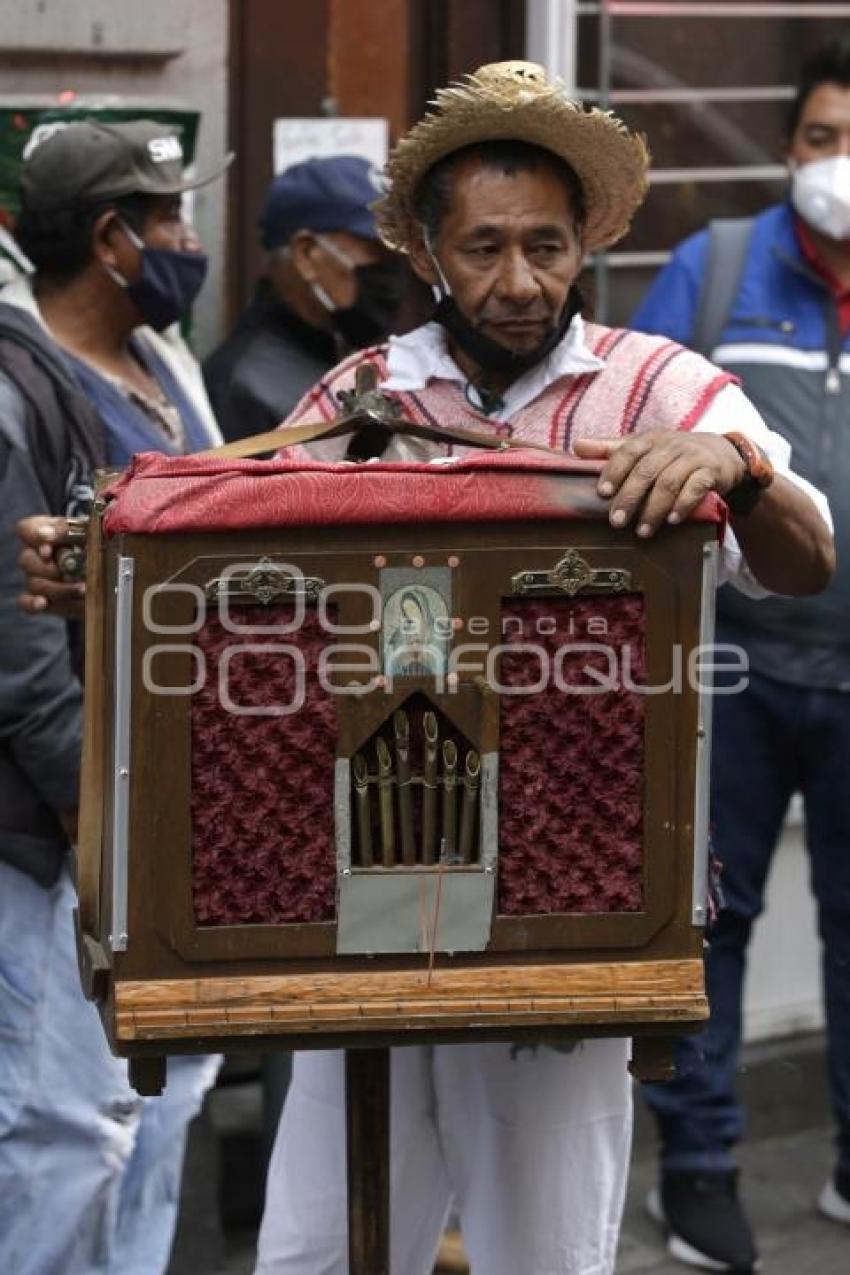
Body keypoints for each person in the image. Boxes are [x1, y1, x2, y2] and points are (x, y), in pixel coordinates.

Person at [248, 61, 834, 1275]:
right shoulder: (362, 394)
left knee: (547, 1250)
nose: (519, 283)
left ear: (586, 244)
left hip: (575, 888)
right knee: (318, 1245)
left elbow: (808, 562)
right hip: (366, 877)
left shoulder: (664, 384)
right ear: (425, 250)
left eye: (548, 246)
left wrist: (738, 466)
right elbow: (241, 570)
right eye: (484, 248)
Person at [629, 36, 850, 1273]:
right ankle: (701, 1170)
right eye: (822, 138)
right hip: (737, 670)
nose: (840, 164)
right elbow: (634, 431)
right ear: (786, 150)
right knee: (706, 923)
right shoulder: (714, 273)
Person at [0, 119, 227, 1274]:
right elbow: (19, 653)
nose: (190, 241)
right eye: (170, 219)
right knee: (64, 1127)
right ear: (110, 238)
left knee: (164, 1099)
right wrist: (106, 819)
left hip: (173, 823)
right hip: (66, 841)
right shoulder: (16, 385)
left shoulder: (164, 363)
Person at [203, 154, 406, 442]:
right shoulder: (241, 388)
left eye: (397, 256)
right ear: (307, 254)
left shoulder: (348, 353)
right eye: (376, 253)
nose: (392, 272)